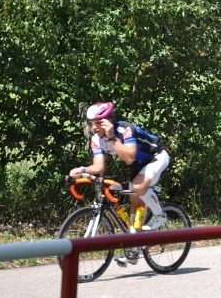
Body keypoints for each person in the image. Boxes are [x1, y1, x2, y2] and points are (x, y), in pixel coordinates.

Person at [69, 102, 171, 265]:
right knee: (135, 204)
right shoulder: (96, 140)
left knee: (138, 186)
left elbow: (129, 158)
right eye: (92, 123)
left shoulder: (125, 129)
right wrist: (81, 170)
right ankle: (134, 248)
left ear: (108, 120)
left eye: (98, 122)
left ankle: (160, 214)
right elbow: (99, 167)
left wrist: (112, 137)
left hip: (157, 156)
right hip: (139, 164)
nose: (94, 127)